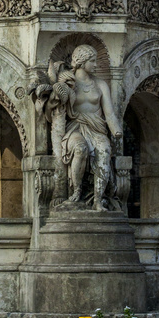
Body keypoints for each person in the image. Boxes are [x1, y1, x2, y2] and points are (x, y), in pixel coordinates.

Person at [47, 44, 122, 211]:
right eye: (92, 61)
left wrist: (116, 129)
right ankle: (76, 192)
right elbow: (56, 105)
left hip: (96, 129)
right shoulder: (68, 82)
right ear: (81, 62)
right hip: (75, 127)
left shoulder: (101, 84)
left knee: (104, 150)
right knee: (80, 149)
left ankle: (98, 199)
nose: (96, 65)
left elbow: (109, 113)